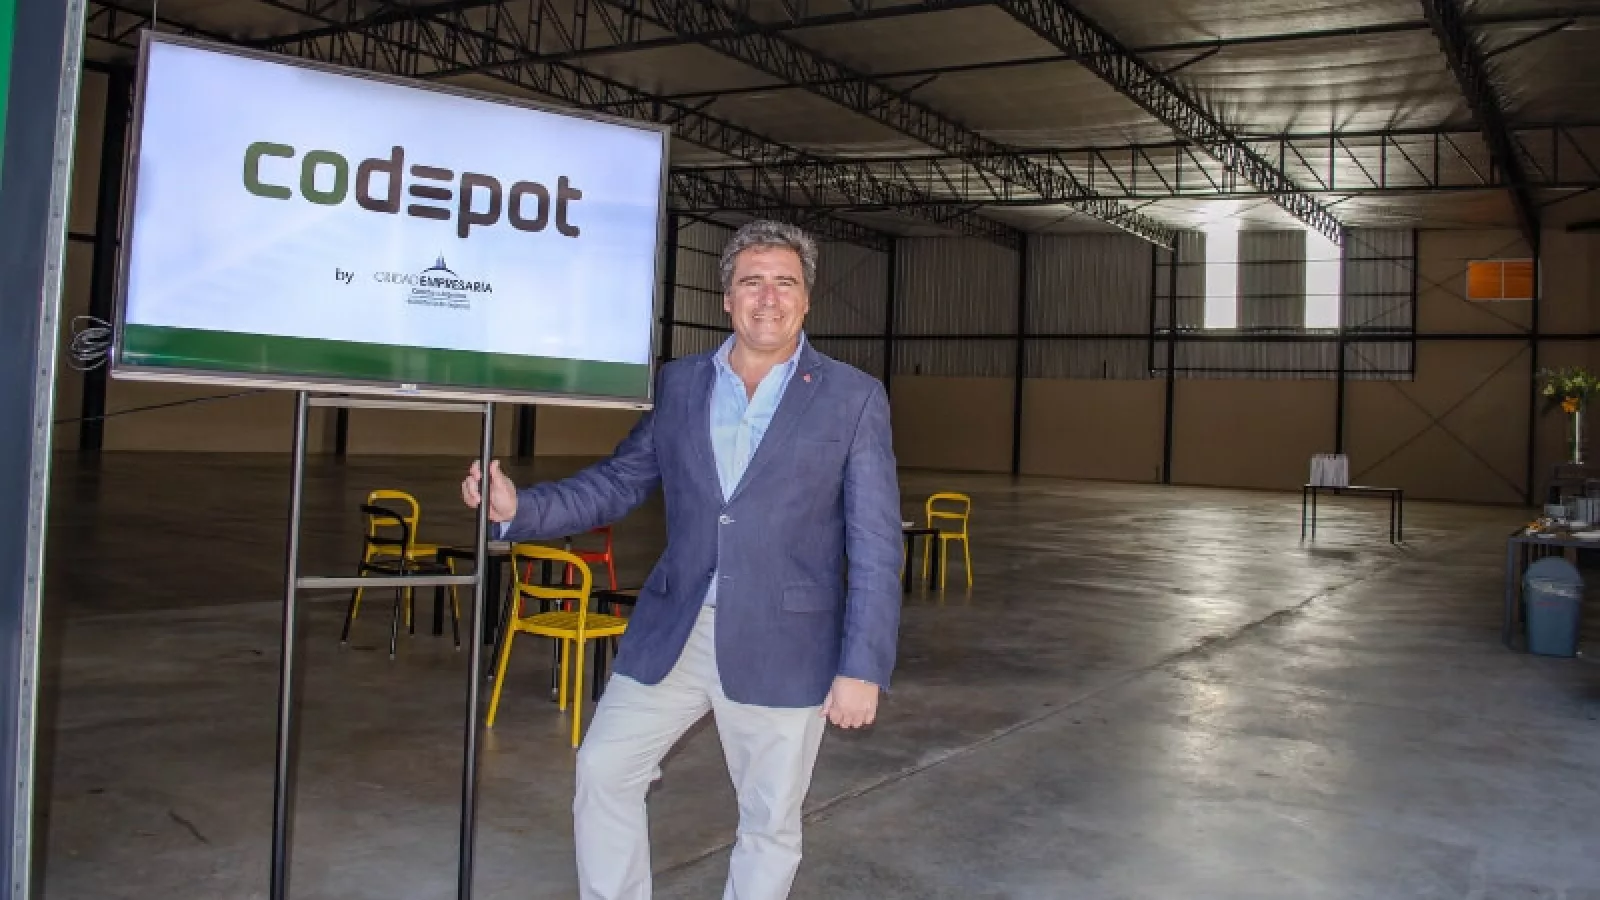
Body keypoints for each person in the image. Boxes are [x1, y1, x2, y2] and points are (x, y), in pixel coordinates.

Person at [460, 219, 903, 900]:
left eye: (784, 283)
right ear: (726, 297)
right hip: (676, 628)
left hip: (786, 642)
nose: (768, 298)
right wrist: (519, 508)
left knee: (769, 822)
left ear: (807, 298)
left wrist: (862, 667)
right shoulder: (681, 384)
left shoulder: (852, 396)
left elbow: (874, 541)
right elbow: (618, 482)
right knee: (604, 769)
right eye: (751, 282)